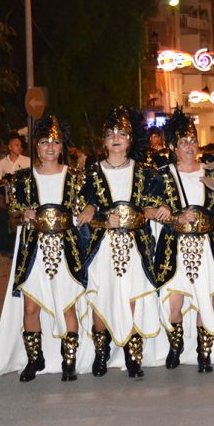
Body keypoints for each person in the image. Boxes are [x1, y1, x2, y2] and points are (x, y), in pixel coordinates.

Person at [0, 115, 88, 382]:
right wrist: (24, 216)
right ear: (37, 147)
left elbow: (85, 212)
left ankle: (69, 361)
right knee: (31, 308)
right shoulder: (22, 179)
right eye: (44, 142)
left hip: (66, 251)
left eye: (55, 142)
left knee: (67, 307)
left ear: (61, 146)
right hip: (34, 250)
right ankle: (34, 359)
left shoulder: (76, 178)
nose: (50, 147)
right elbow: (14, 217)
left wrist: (90, 211)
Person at [78, 107, 165, 378]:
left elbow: (151, 209)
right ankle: (101, 355)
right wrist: (102, 219)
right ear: (103, 141)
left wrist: (158, 211)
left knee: (132, 300)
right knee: (101, 297)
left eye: (122, 133)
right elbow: (87, 213)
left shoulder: (146, 173)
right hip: (103, 247)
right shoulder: (91, 175)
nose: (116, 138)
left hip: (135, 246)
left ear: (130, 139)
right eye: (110, 134)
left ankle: (132, 355)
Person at [151, 107, 214, 373]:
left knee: (203, 299)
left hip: (206, 245)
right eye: (183, 141)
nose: (189, 146)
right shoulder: (162, 175)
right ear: (173, 145)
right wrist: (168, 215)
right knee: (174, 302)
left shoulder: (211, 172)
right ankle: (175, 348)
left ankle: (203, 353)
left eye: (192, 140)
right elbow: (148, 209)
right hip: (174, 247)